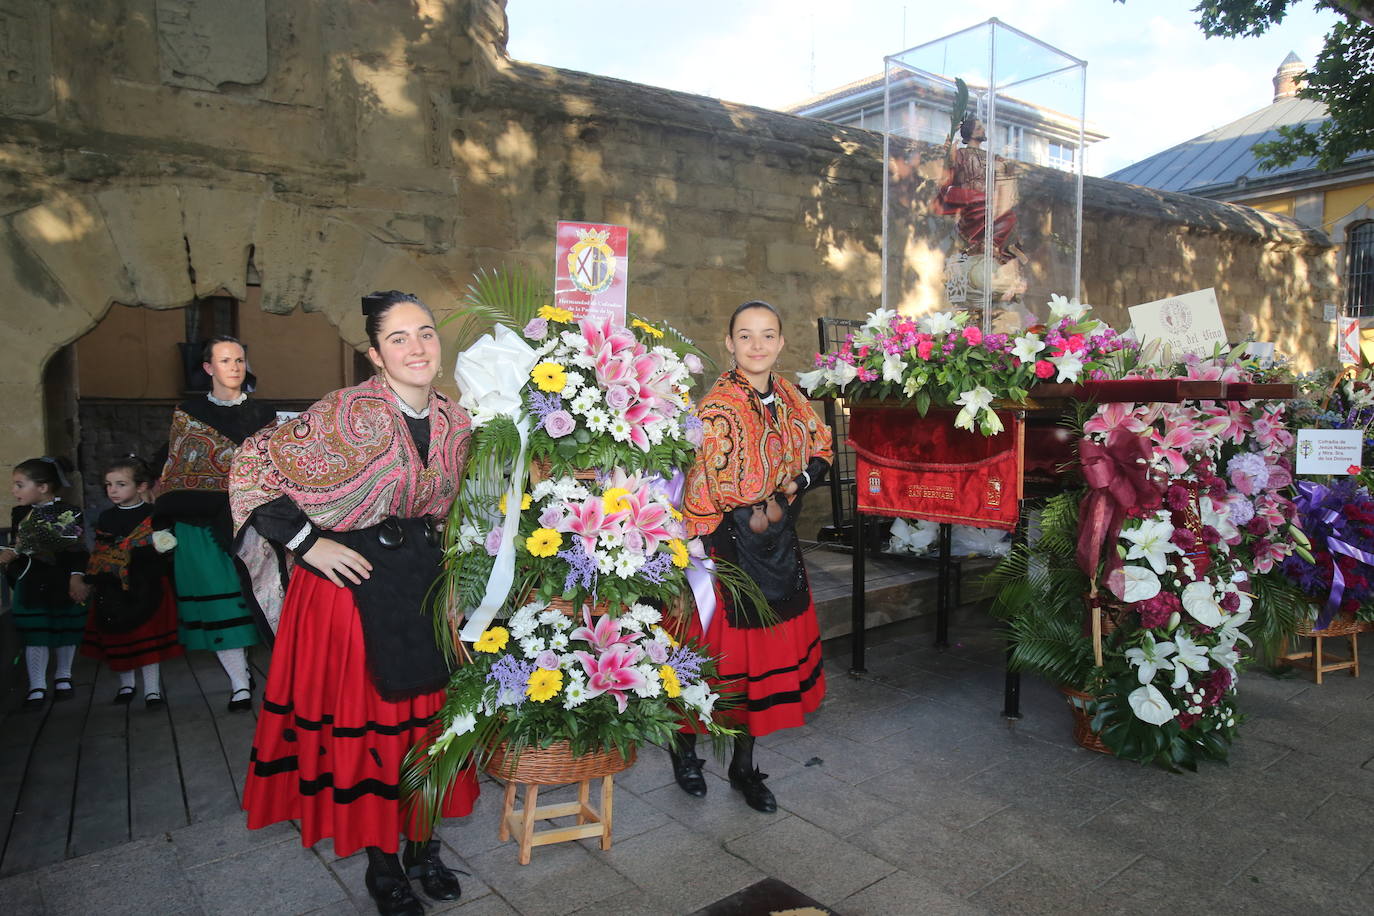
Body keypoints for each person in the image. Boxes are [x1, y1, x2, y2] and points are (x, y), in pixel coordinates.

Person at [230, 291, 478, 916]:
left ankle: (423, 846)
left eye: (425, 333)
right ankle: (382, 863)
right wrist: (307, 543)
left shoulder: (456, 420)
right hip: (353, 590)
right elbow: (253, 466)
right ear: (374, 353)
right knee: (369, 728)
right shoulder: (346, 412)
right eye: (399, 338)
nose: (417, 347)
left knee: (426, 725)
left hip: (421, 584)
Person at [671, 300, 833, 812]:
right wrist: (703, 552)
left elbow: (821, 448)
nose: (757, 345)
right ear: (730, 343)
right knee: (716, 662)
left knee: (766, 661)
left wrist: (799, 481)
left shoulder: (788, 394)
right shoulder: (717, 407)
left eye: (767, 336)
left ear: (782, 343)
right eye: (746, 336)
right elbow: (699, 486)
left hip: (779, 545)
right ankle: (684, 748)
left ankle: (744, 767)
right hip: (728, 547)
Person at [154, 336, 276, 712]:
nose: (235, 367)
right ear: (208, 368)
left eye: (240, 359)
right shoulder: (188, 414)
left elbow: (276, 465)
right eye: (225, 360)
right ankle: (240, 683)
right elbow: (176, 470)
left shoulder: (263, 415)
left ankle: (281, 680)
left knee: (268, 602)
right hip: (201, 522)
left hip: (256, 520)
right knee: (222, 607)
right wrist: (162, 522)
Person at [78, 455, 184, 708]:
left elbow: (165, 550)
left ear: (142, 486)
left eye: (120, 484)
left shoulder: (155, 515)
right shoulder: (106, 518)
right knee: (118, 635)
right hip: (113, 585)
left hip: (147, 583)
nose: (112, 490)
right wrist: (93, 577)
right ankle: (127, 684)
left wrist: (146, 551)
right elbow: (102, 552)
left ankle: (152, 689)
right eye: (108, 485)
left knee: (147, 635)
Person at [1, 457, 88, 709]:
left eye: (20, 485)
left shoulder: (70, 511)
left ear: (43, 487)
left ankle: (63, 676)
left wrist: (76, 576)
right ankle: (37, 684)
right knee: (36, 633)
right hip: (32, 579)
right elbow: (21, 543)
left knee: (64, 628)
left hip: (61, 577)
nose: (13, 491)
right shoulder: (20, 513)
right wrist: (10, 552)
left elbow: (70, 547)